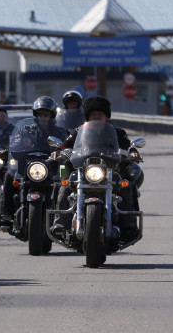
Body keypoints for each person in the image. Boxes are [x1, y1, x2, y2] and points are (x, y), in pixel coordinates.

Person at [51, 95, 144, 242]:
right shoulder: (79, 131)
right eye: (93, 114)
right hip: (85, 171)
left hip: (110, 171)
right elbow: (66, 145)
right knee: (65, 184)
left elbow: (128, 145)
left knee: (127, 185)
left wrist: (133, 152)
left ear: (106, 116)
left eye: (100, 114)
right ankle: (61, 223)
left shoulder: (117, 131)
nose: (96, 117)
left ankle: (129, 227)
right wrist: (59, 151)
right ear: (88, 116)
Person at [0, 96, 68, 228]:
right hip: (29, 166)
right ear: (36, 114)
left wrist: (62, 151)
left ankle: (64, 218)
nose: (43, 117)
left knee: (66, 180)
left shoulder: (60, 131)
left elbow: (67, 145)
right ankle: (6, 216)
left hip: (55, 166)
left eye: (46, 114)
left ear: (51, 115)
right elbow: (15, 143)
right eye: (41, 114)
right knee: (9, 176)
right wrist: (6, 152)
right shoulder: (26, 130)